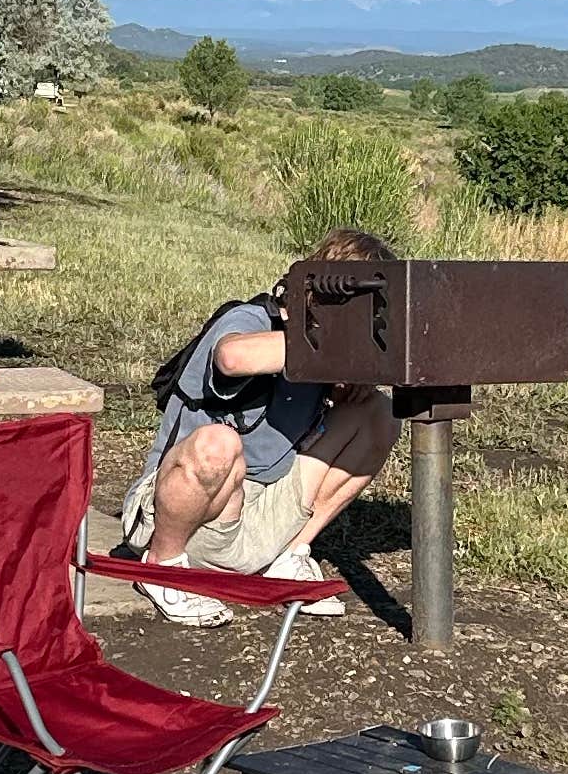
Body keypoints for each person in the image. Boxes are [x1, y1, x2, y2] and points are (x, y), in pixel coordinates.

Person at [122, 233, 397, 623]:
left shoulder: (327, 346)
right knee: (218, 444)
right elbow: (233, 358)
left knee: (377, 413)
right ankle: (163, 569)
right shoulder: (251, 319)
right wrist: (339, 347)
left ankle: (289, 556)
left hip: (258, 520)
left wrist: (355, 372)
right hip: (180, 519)